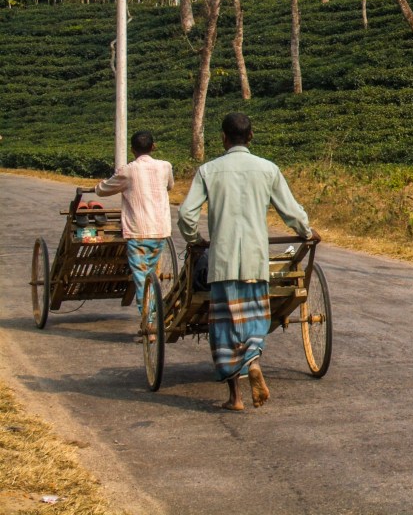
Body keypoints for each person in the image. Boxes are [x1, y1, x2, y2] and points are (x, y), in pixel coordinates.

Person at [177, 112, 318, 411]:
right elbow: (290, 210)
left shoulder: (208, 170)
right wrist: (306, 231)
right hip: (256, 260)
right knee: (254, 319)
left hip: (223, 263)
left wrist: (194, 239)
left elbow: (186, 213)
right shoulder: (268, 169)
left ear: (223, 138)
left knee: (226, 325)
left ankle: (235, 397)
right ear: (251, 136)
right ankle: (253, 359)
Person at [94, 130, 174, 330]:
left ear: (132, 149)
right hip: (160, 231)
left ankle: (149, 322)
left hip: (138, 233)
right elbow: (170, 186)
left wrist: (96, 187)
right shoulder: (165, 166)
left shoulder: (128, 171)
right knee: (151, 273)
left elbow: (103, 190)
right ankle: (153, 312)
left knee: (141, 278)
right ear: (153, 147)